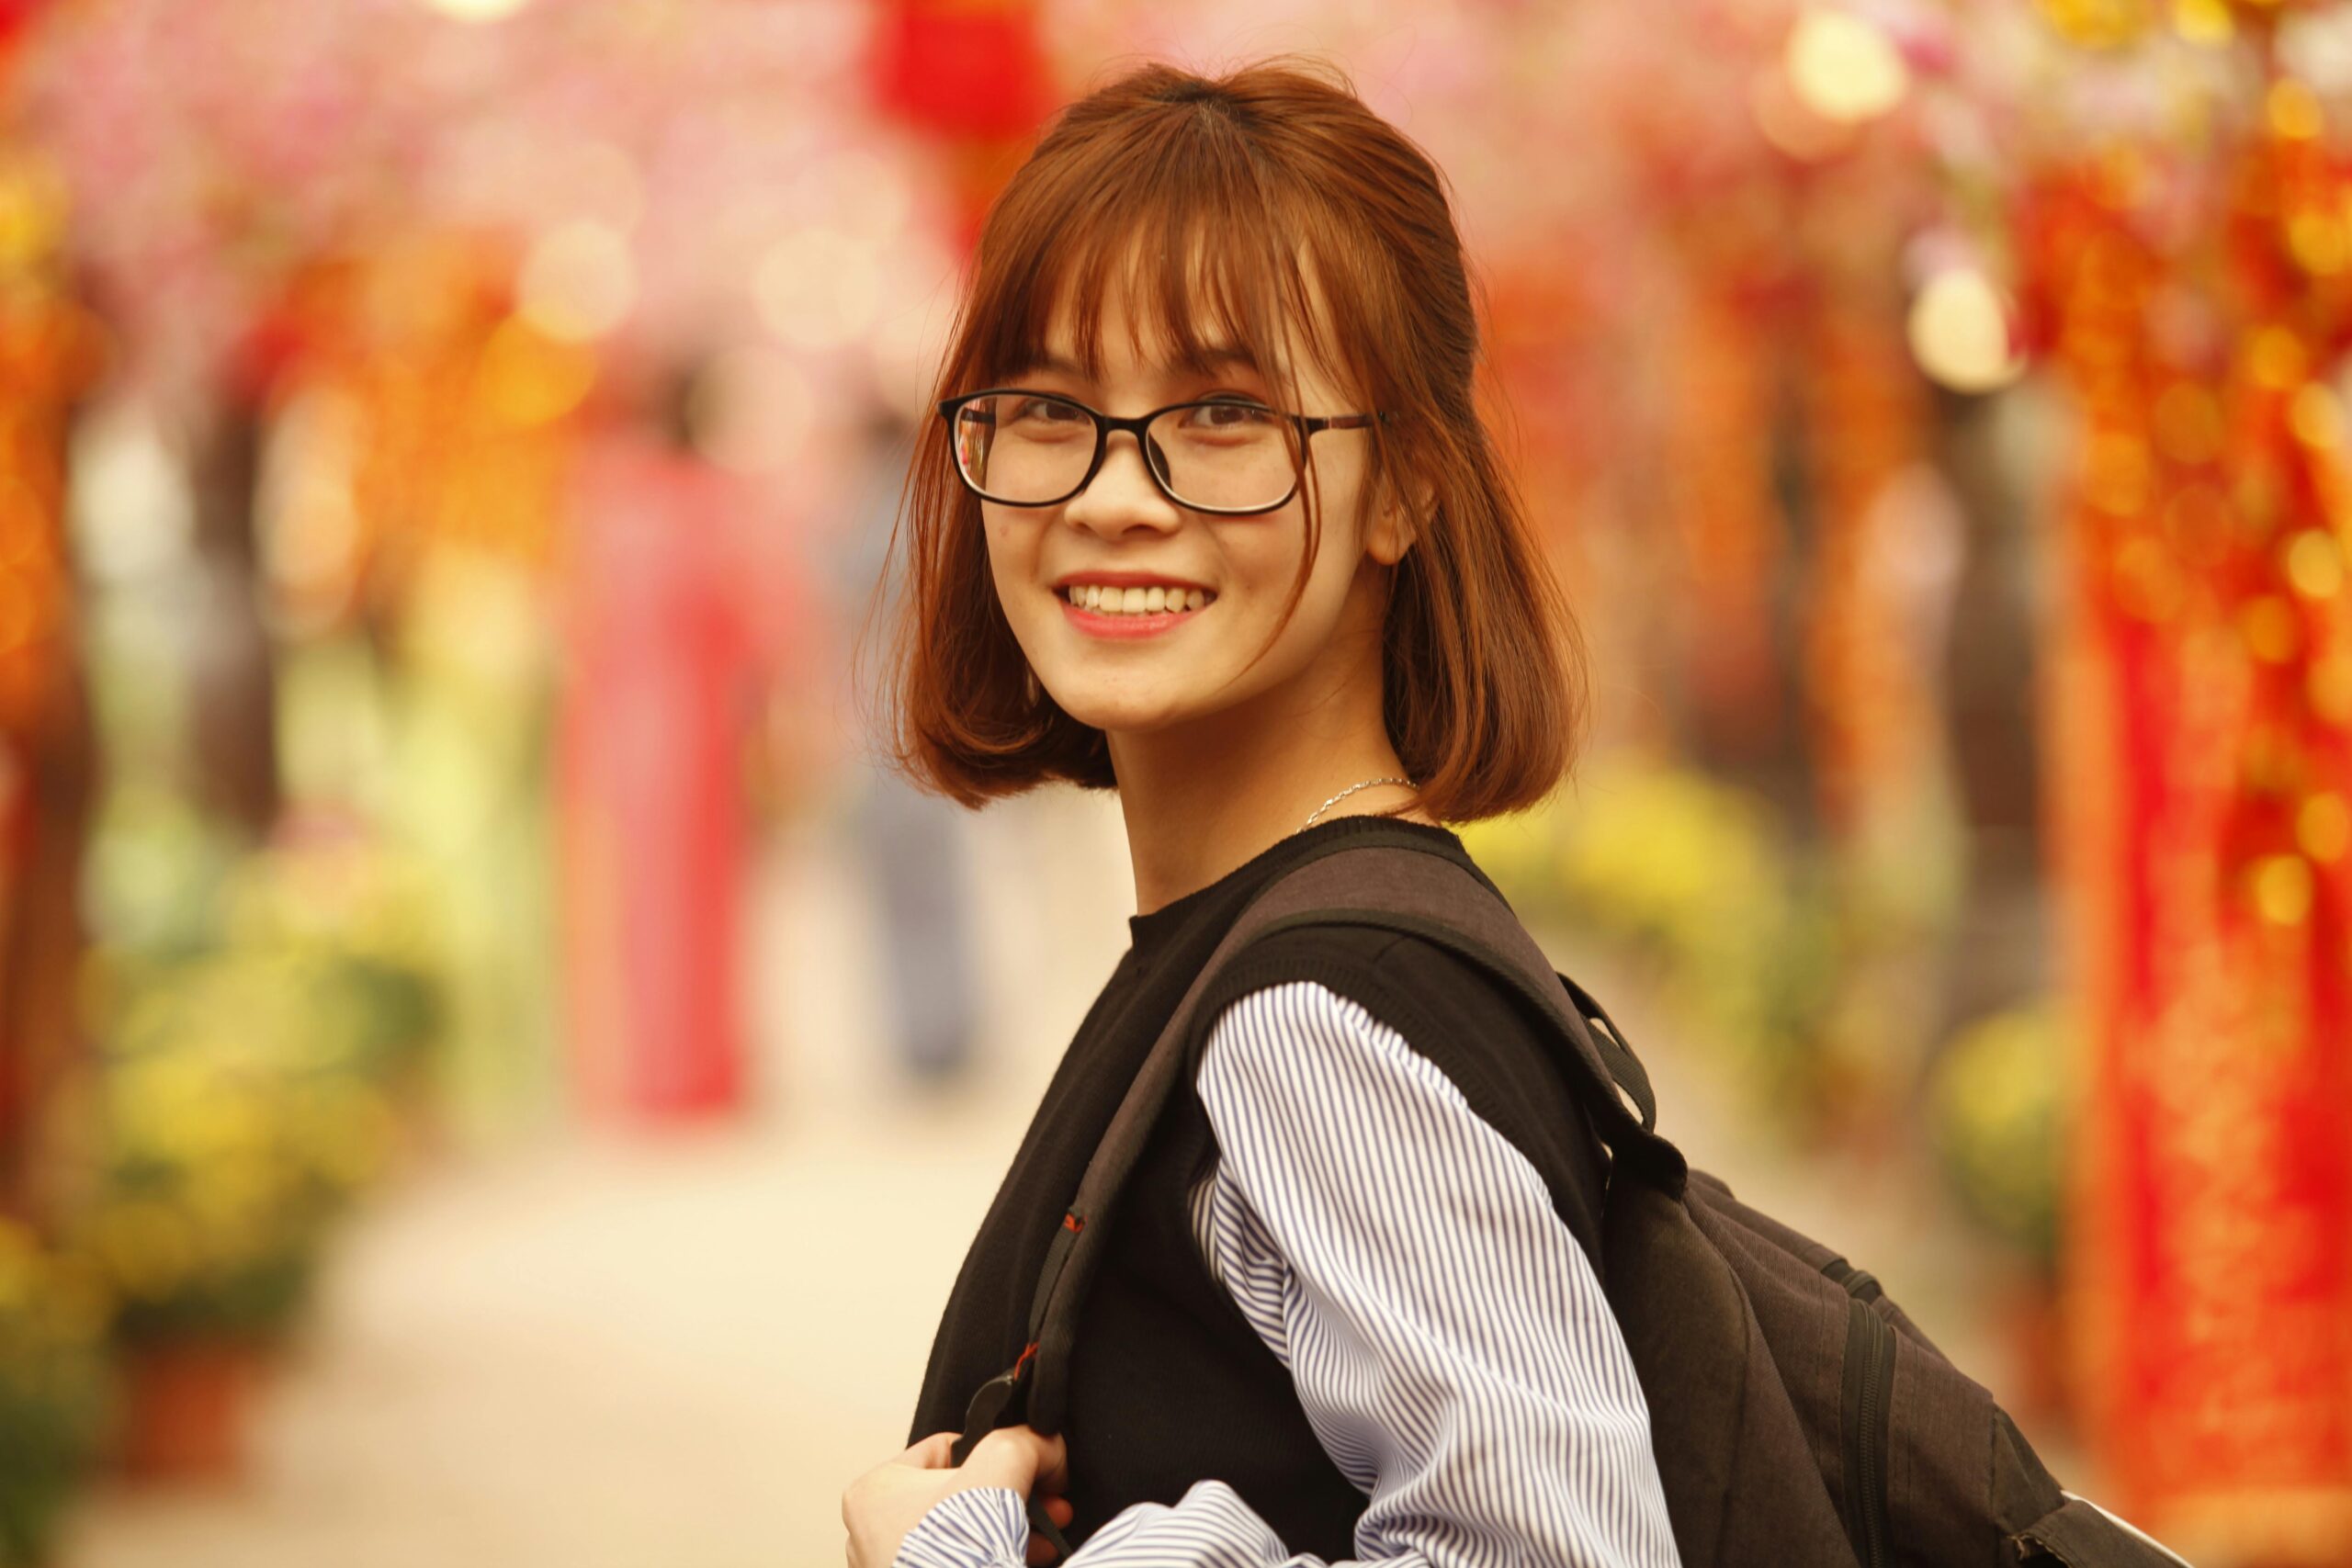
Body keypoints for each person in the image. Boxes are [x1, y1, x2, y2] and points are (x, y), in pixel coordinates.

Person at [844, 60, 1682, 1568]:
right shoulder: (1246, 953)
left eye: (1223, 412)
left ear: (1406, 486)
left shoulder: (1321, 1018)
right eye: (1046, 404)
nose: (1112, 493)